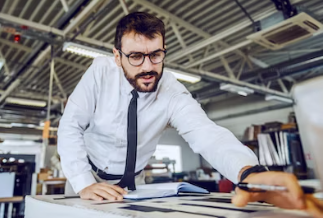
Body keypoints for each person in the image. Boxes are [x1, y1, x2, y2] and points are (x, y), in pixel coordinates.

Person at [58, 12, 323, 217]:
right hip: (86, 177)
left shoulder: (172, 90)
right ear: (117, 57)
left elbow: (208, 135)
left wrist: (249, 173)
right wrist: (82, 183)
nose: (148, 67)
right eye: (136, 56)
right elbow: (70, 126)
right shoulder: (100, 72)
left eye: (156, 55)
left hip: (134, 184)